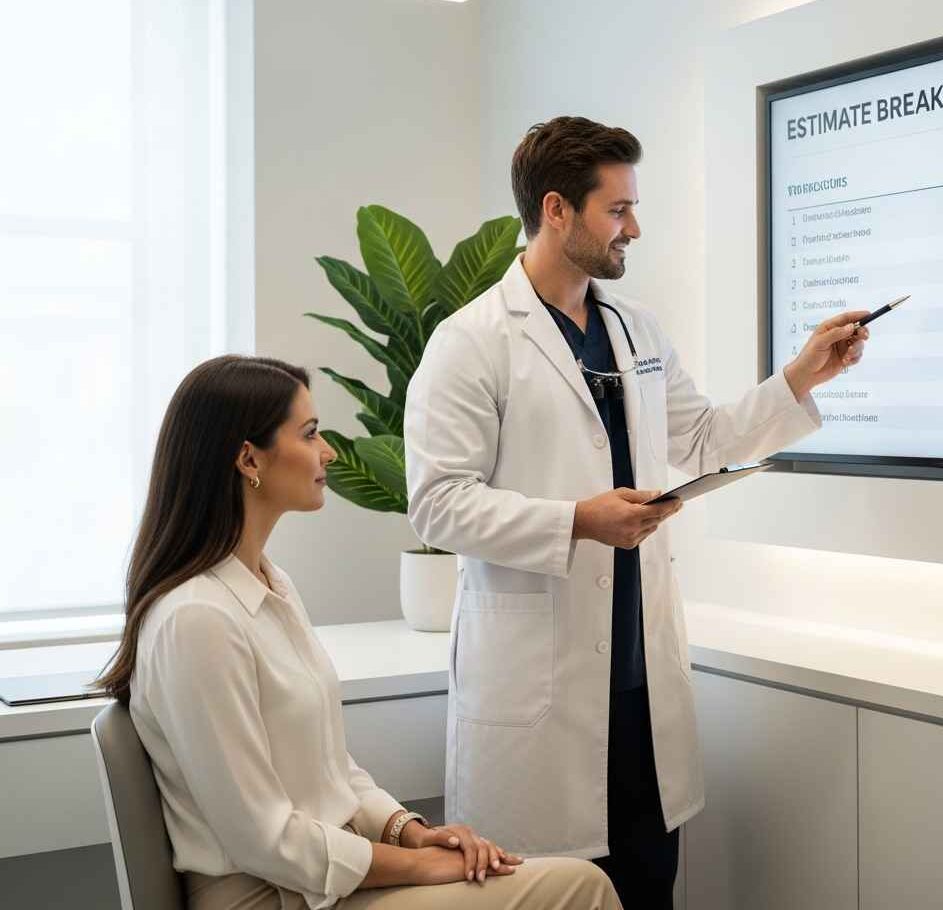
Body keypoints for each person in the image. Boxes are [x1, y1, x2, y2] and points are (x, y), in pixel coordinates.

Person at [403, 116, 869, 909]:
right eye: (617, 211)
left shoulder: (635, 329)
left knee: (650, 888)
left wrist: (800, 376)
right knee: (554, 895)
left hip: (638, 687)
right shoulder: (470, 341)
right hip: (537, 697)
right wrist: (576, 521)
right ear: (557, 210)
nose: (635, 229)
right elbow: (438, 505)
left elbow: (703, 437)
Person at [96, 355, 622, 910]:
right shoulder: (196, 620)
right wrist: (421, 866)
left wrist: (410, 831)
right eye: (310, 434)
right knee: (581, 888)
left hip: (321, 880)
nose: (328, 452)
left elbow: (330, 770)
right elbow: (263, 837)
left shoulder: (271, 585)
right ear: (248, 458)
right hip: (269, 896)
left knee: (570, 881)